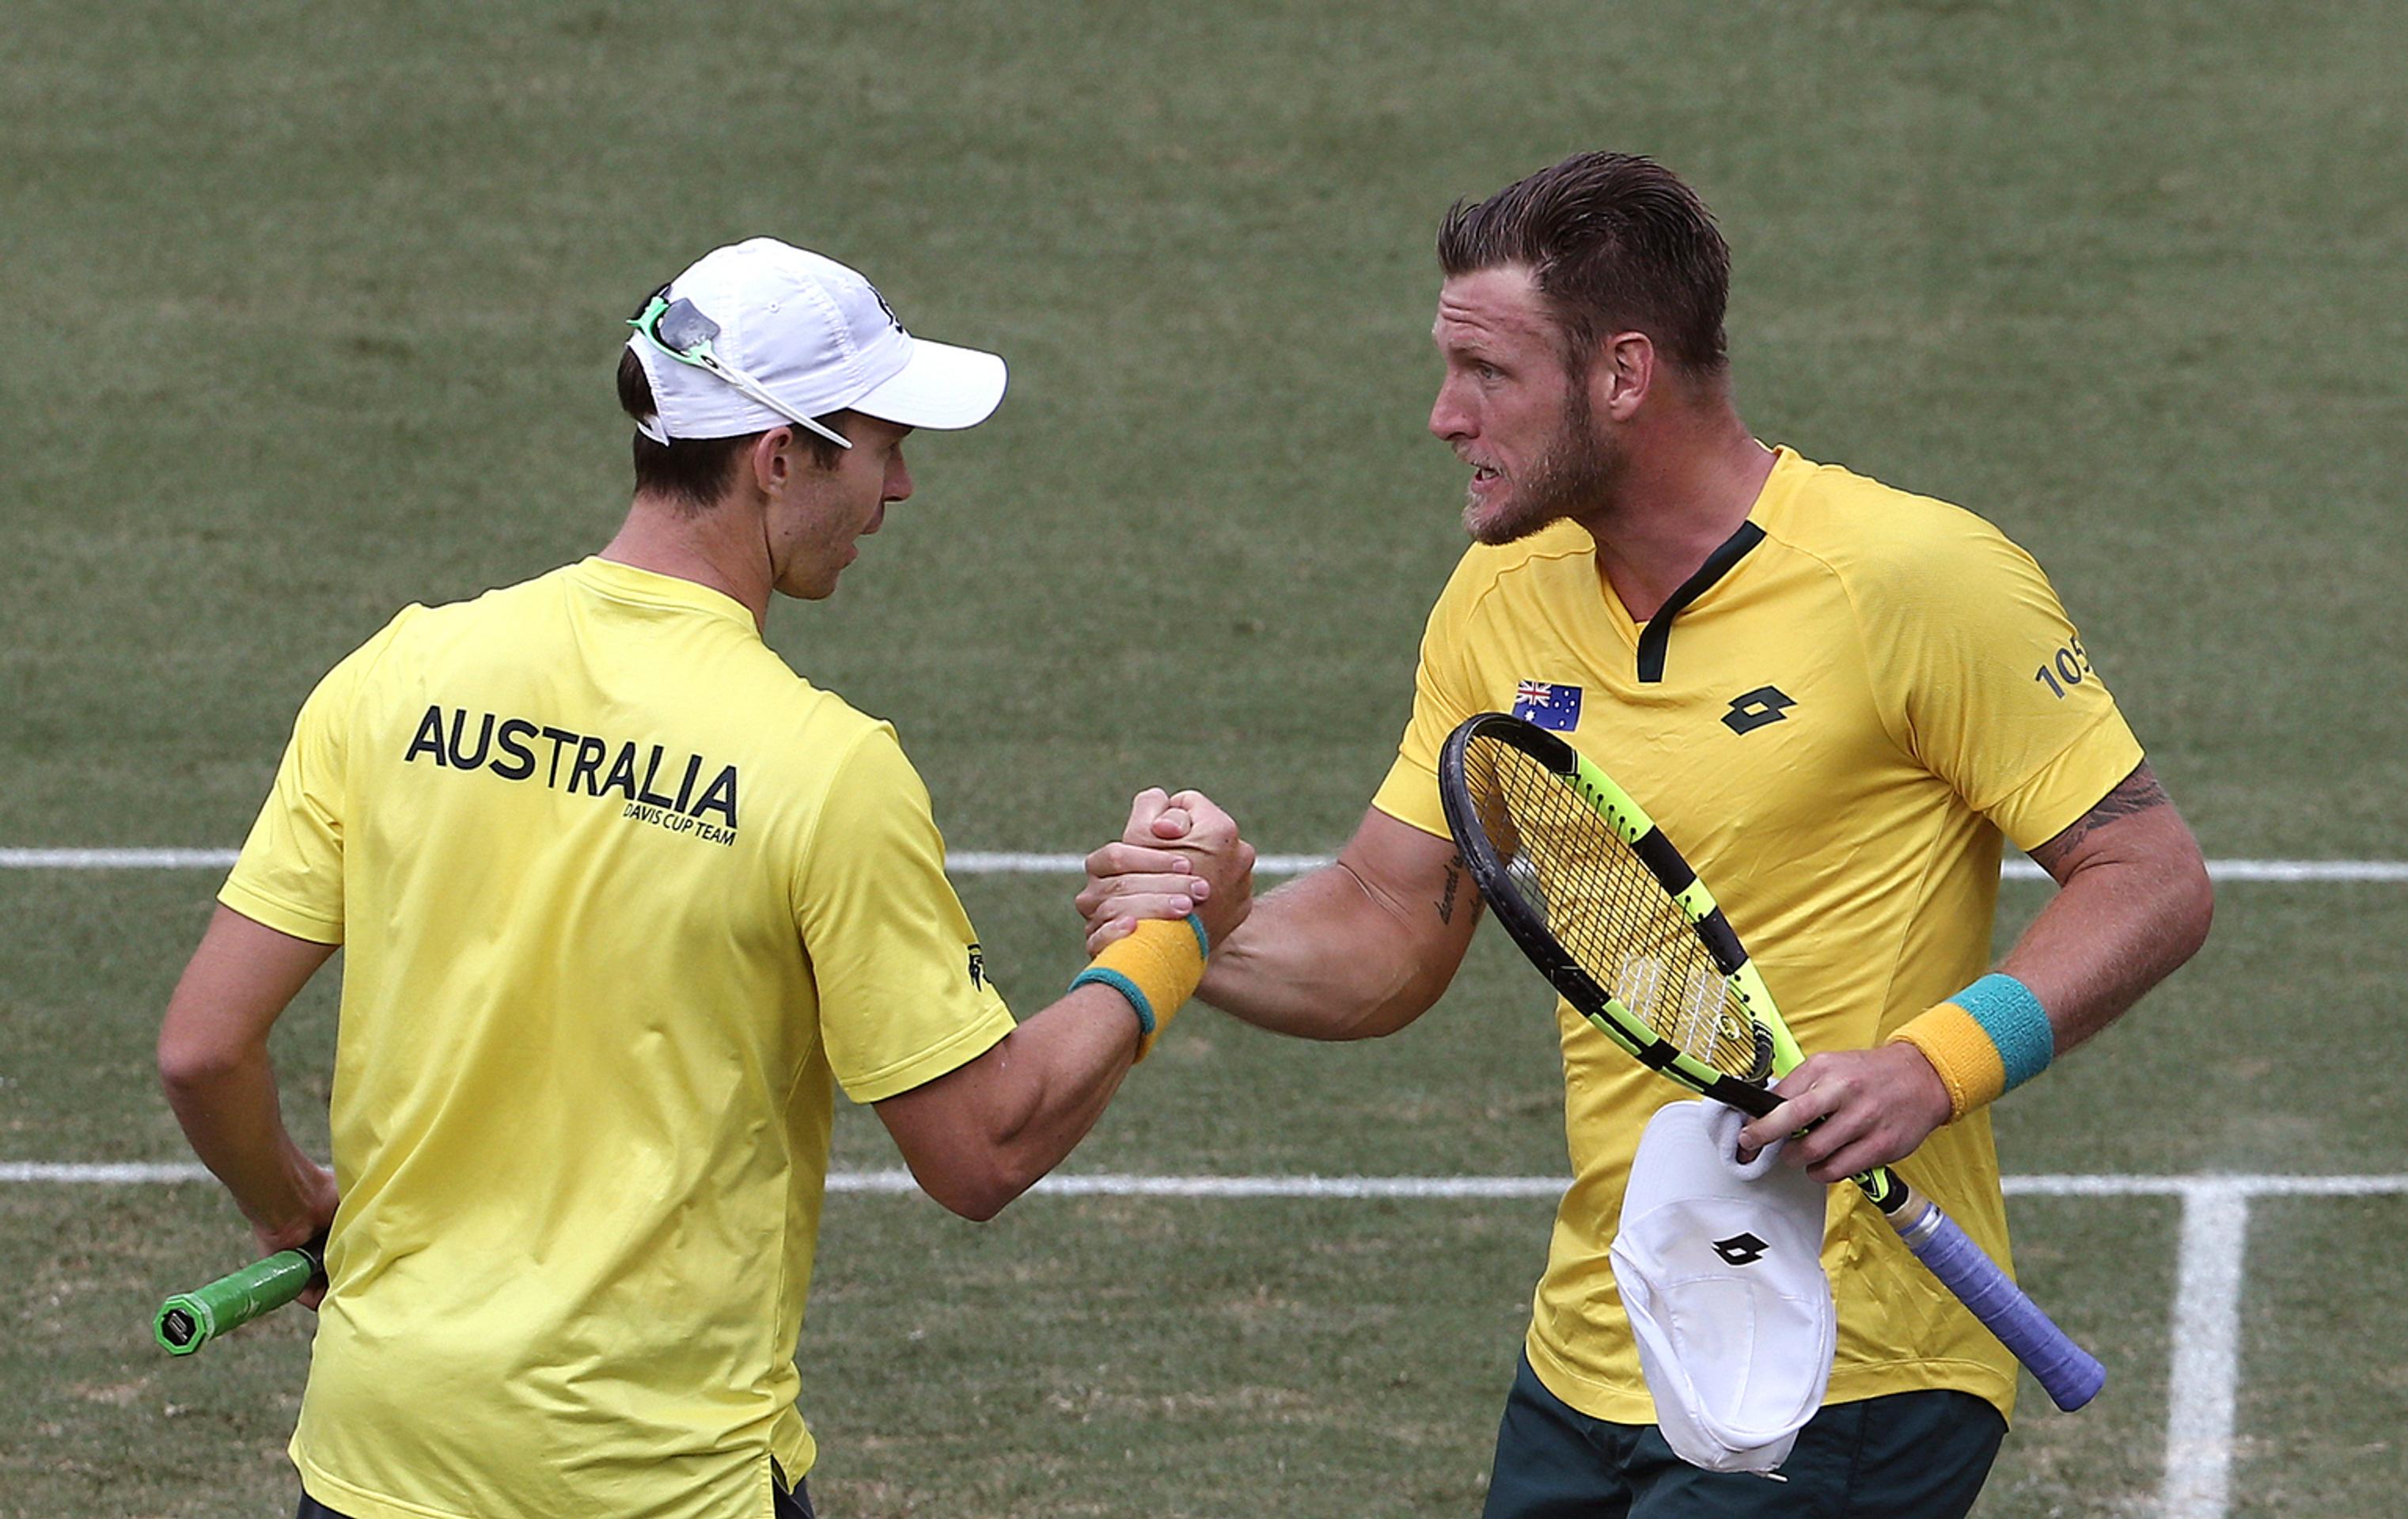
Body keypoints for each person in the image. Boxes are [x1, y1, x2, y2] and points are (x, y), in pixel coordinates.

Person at [1079, 153, 2213, 1518]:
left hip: (1843, 1369)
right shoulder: (1499, 596)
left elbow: (2151, 875)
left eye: (1486, 372)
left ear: (1624, 373)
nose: (1445, 416)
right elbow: (1387, 927)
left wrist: (1934, 1066)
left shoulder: (1910, 578)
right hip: (1598, 1351)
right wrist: (1208, 921)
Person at [157, 237, 1249, 1519]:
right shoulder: (824, 769)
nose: (901, 489)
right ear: (777, 456)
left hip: (377, 1461)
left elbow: (203, 1050)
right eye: (884, 443)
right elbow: (980, 1148)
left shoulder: (397, 674)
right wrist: (1173, 941)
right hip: (657, 1482)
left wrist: (300, 1218)